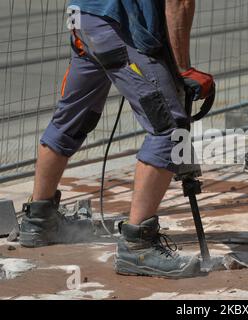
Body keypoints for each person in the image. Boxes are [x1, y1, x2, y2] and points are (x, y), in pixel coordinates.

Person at [19, 0, 215, 279]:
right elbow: (179, 2)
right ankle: (138, 247)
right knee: (170, 128)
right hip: (116, 25)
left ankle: (38, 220)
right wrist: (182, 69)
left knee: (73, 117)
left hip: (84, 18)